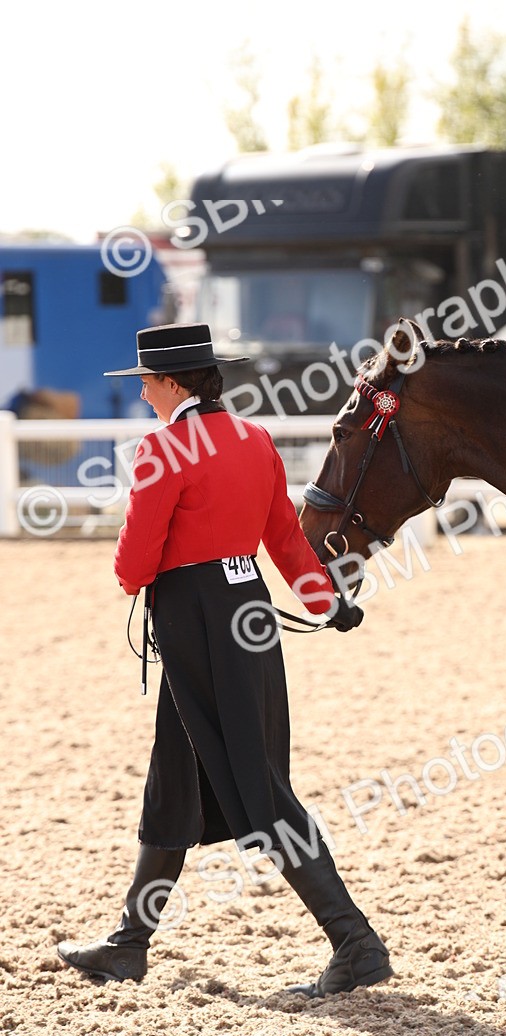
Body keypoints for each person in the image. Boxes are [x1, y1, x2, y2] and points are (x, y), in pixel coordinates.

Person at [57, 323, 393, 998]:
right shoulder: (254, 439)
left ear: (170, 382)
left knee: (260, 791)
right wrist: (327, 603)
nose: (143, 391)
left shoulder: (162, 449)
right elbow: (285, 542)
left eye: (146, 381)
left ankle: (356, 943)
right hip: (248, 616)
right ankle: (128, 944)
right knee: (175, 781)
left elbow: (133, 568)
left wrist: (147, 566)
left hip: (198, 627)